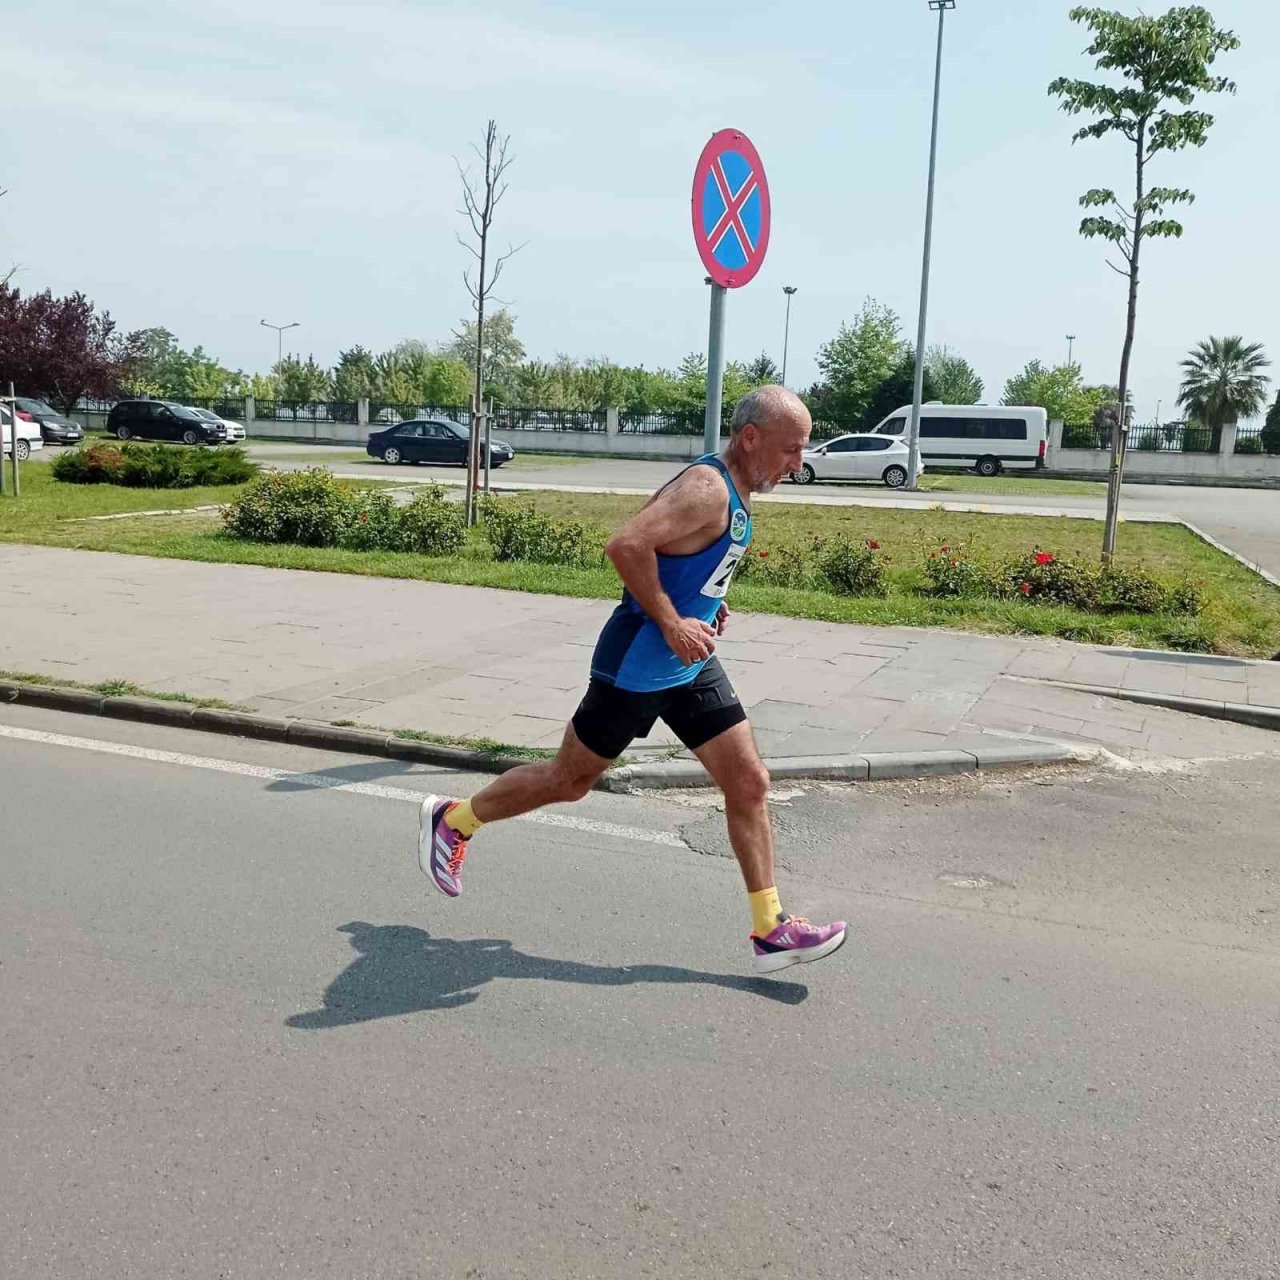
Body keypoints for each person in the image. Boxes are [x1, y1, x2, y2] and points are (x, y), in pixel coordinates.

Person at [418, 385, 847, 975]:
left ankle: (770, 928)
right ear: (751, 438)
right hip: (638, 666)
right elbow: (625, 545)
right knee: (570, 781)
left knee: (748, 783)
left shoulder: (735, 488)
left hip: (689, 663)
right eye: (791, 449)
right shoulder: (706, 489)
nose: (798, 464)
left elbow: (680, 559)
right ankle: (454, 819)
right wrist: (671, 620)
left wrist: (704, 604)